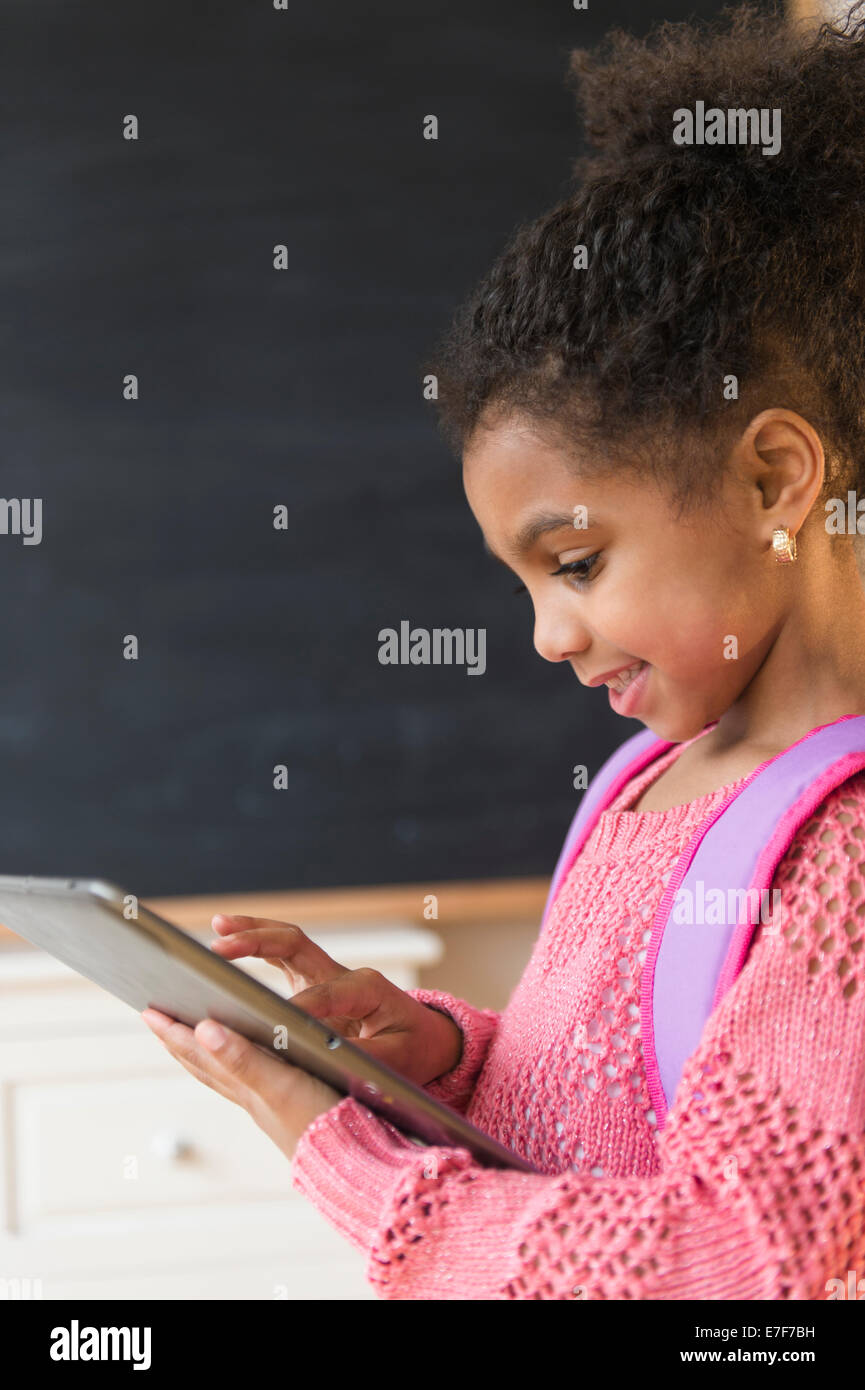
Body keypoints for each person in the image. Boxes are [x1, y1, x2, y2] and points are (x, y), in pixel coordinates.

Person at [143, 2, 865, 1298]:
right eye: (524, 580)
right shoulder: (650, 782)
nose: (546, 633)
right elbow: (603, 1103)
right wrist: (437, 1059)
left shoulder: (843, 853)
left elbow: (741, 1263)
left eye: (575, 562)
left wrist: (348, 1163)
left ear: (773, 478)